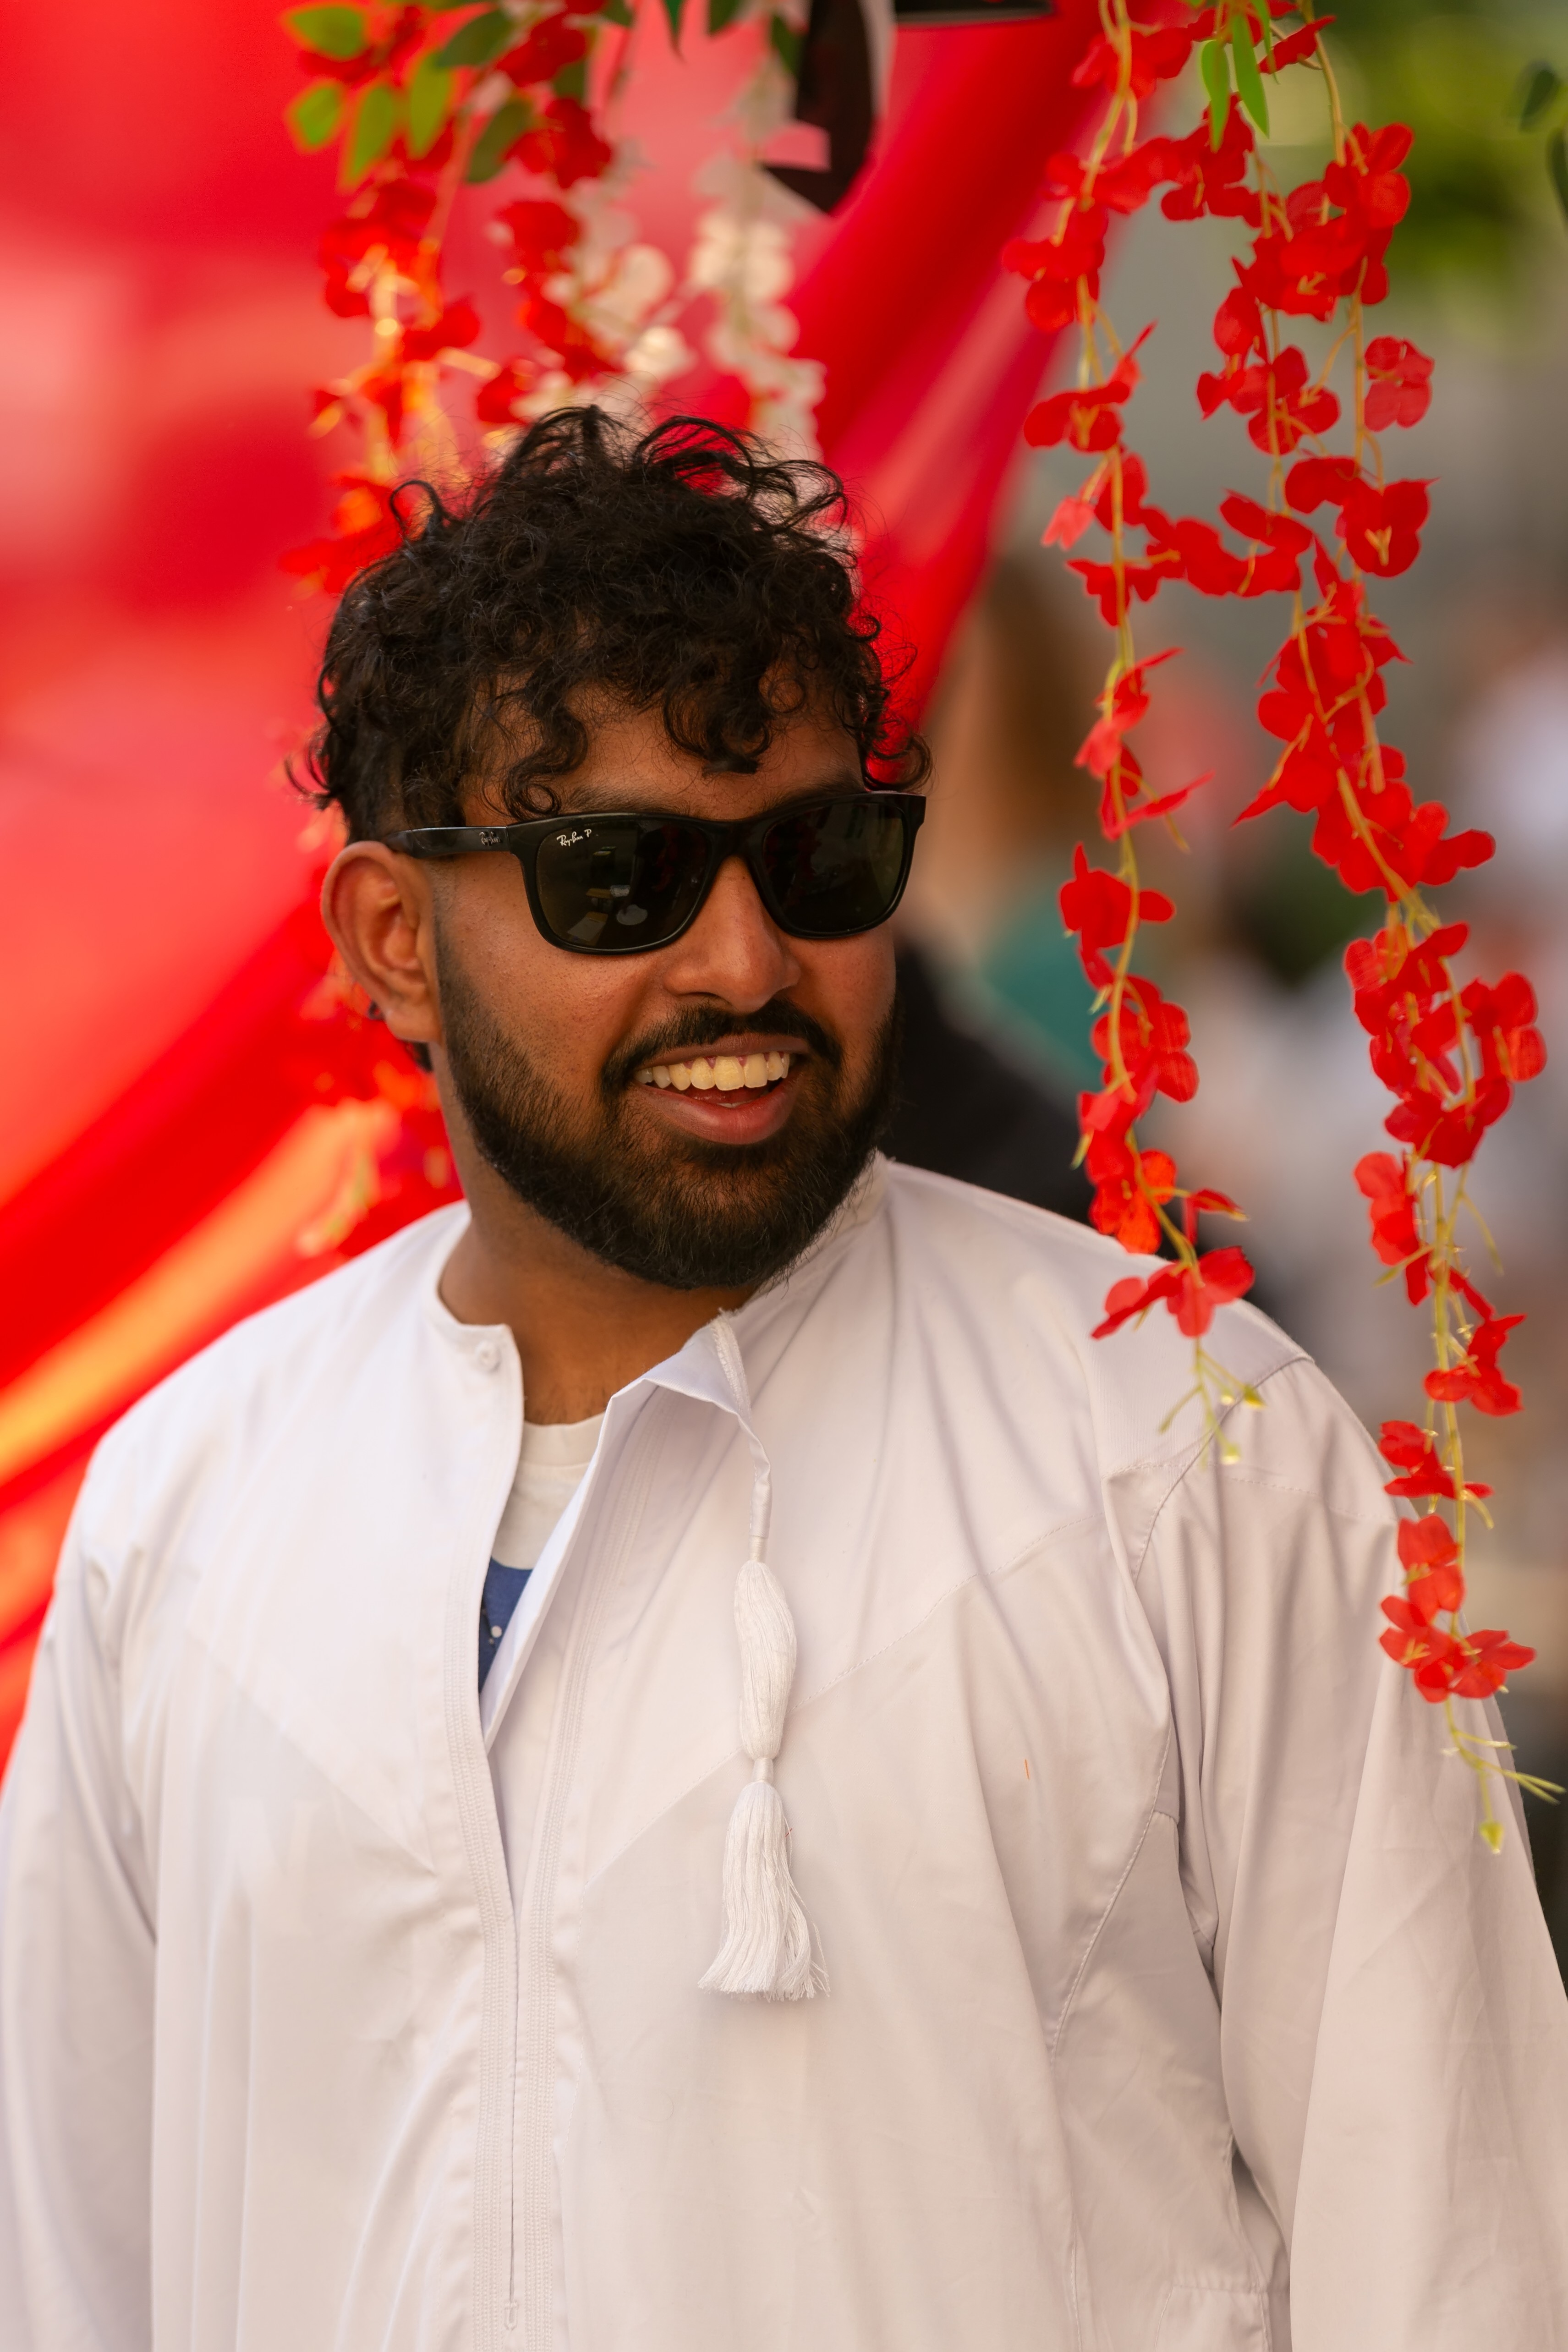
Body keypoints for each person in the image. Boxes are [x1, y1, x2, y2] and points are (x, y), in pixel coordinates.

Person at [1, 411, 1564, 2352]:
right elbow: (71, 2265)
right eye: (620, 878)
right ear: (396, 941)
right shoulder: (197, 1510)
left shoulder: (1185, 1451)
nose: (745, 962)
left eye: (818, 860)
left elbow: (1454, 2251)